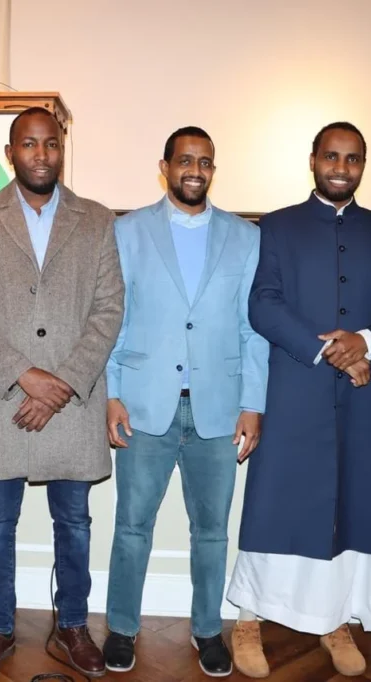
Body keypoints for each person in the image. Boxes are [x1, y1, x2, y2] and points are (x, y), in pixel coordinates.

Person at [226, 122, 371, 678]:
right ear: (313, 159)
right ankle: (248, 618)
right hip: (295, 391)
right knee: (276, 503)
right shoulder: (278, 226)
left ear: (363, 165)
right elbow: (263, 303)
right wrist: (330, 351)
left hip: (365, 397)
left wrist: (366, 342)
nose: (341, 167)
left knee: (351, 506)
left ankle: (335, 620)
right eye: (332, 156)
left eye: (352, 158)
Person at [0, 107, 124, 681]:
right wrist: (25, 375)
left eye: (51, 144)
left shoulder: (97, 219)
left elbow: (109, 310)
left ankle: (73, 625)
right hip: (3, 401)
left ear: (61, 149)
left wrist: (63, 384)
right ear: (11, 152)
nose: (41, 154)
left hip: (73, 405)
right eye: (29, 144)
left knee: (74, 524)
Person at [101, 126, 268, 677]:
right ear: (165, 167)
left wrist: (253, 403)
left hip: (218, 409)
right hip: (144, 405)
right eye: (185, 160)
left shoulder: (245, 237)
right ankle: (121, 628)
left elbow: (252, 329)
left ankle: (207, 631)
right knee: (132, 526)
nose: (195, 170)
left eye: (205, 162)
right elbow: (114, 318)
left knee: (212, 532)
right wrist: (112, 393)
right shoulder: (127, 231)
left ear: (212, 170)